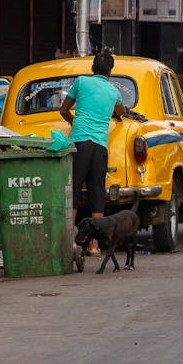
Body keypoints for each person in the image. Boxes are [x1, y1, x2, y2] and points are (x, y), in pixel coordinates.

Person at [60, 51, 125, 256]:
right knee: (97, 194)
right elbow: (121, 112)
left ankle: (70, 242)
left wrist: (74, 123)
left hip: (79, 143)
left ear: (92, 68)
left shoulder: (81, 82)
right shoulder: (114, 92)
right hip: (99, 146)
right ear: (110, 72)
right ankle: (94, 246)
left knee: (74, 192)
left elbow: (63, 110)